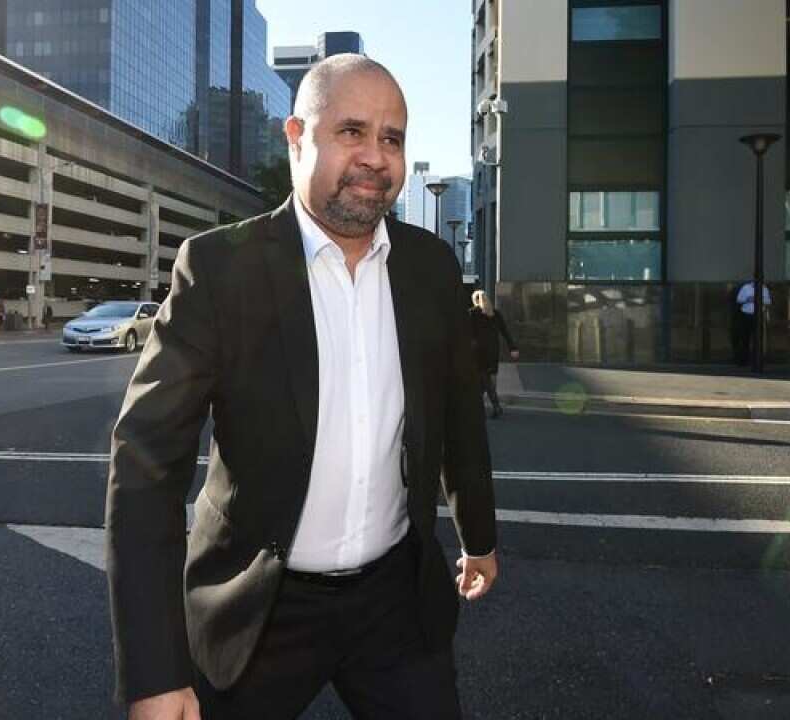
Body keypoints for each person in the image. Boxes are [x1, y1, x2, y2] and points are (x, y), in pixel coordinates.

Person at [108, 54, 497, 720]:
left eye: (393, 138)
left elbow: (459, 412)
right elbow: (146, 469)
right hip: (259, 610)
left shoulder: (430, 269)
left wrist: (480, 536)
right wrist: (154, 673)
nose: (376, 156)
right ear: (297, 137)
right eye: (353, 131)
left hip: (395, 606)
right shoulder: (218, 270)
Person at [469, 289, 519, 418]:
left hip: (478, 353)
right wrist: (512, 348)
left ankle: (496, 406)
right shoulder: (496, 314)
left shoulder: (472, 313)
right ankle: (477, 408)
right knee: (485, 381)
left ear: (475, 301)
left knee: (484, 380)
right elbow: (505, 332)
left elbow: (466, 333)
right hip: (493, 352)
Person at [732, 280, 772, 366]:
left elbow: (769, 301)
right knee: (745, 338)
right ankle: (743, 361)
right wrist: (748, 299)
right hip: (746, 315)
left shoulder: (764, 289)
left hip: (759, 316)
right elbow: (739, 300)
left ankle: (757, 361)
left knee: (758, 339)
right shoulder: (745, 288)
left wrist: (759, 299)